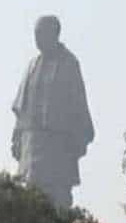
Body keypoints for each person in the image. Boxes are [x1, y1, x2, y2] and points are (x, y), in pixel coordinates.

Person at [11, 15, 95, 209]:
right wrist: (17, 137)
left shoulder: (68, 63)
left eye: (41, 33)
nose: (37, 38)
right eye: (35, 34)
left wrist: (78, 138)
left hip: (57, 144)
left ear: (54, 34)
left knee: (56, 199)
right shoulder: (32, 65)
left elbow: (78, 103)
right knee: (30, 199)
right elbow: (21, 109)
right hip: (32, 143)